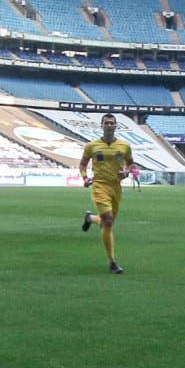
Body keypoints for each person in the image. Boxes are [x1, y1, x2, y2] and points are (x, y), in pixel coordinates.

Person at [78, 113, 137, 274]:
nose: (109, 125)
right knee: (109, 221)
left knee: (106, 223)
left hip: (116, 188)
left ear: (116, 126)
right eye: (107, 123)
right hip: (100, 186)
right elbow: (82, 165)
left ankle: (90, 218)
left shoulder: (124, 146)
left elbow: (131, 164)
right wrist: (85, 178)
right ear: (102, 126)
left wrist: (126, 171)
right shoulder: (92, 146)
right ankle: (112, 262)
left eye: (112, 123)